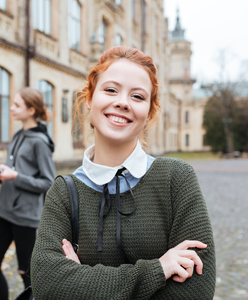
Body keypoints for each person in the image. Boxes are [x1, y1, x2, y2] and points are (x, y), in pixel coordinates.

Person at [30, 47, 216, 299]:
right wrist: (158, 270)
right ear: (90, 99)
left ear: (149, 112)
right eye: (110, 90)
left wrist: (81, 280)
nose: (122, 102)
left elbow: (196, 292)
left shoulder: (176, 179)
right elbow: (48, 286)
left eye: (138, 97)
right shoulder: (64, 191)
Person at [0, 87, 56, 300]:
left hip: (25, 217)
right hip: (5, 211)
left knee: (27, 274)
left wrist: (15, 177)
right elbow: (11, 171)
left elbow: (48, 182)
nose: (11, 108)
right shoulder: (17, 135)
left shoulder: (40, 143)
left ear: (31, 110)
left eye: (17, 105)